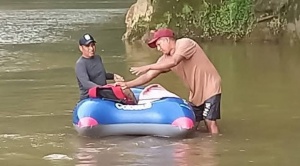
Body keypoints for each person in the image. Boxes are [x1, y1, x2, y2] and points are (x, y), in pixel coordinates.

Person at [116, 28, 222, 134]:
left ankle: (214, 148)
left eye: (159, 44)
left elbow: (174, 61)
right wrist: (126, 84)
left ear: (166, 40)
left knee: (209, 120)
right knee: (193, 123)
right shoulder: (164, 59)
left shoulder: (185, 43)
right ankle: (197, 147)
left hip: (210, 86)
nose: (158, 49)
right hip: (195, 93)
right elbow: (148, 75)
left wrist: (148, 66)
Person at [75, 33, 125, 101]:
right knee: (121, 93)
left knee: (124, 88)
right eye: (87, 46)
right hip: (90, 96)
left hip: (103, 93)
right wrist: (103, 88)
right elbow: (86, 83)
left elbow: (100, 75)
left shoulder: (97, 58)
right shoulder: (80, 64)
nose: (91, 48)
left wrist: (113, 76)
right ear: (81, 48)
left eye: (93, 45)